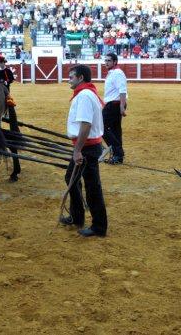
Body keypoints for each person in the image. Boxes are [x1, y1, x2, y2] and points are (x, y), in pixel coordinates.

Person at [60, 64, 107, 237]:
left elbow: (86, 124)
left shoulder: (85, 95)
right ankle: (77, 216)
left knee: (92, 186)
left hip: (86, 148)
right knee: (72, 179)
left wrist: (77, 150)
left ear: (80, 78)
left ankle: (99, 227)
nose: (68, 79)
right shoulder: (86, 94)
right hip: (87, 147)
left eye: (71, 76)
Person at [102, 53, 128, 164]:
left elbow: (122, 90)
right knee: (115, 130)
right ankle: (118, 157)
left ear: (115, 62)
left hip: (114, 104)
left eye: (109, 61)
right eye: (105, 60)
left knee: (101, 128)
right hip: (113, 104)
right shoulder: (114, 73)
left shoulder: (117, 73)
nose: (106, 63)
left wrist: (122, 106)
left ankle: (118, 152)